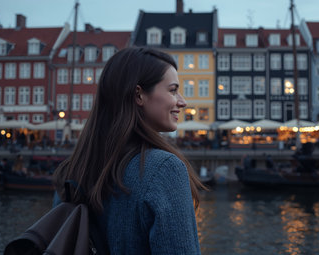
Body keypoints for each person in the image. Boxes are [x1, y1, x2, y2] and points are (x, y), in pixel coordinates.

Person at [52, 47, 205, 254]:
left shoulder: (72, 171)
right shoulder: (163, 169)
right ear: (139, 95)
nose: (182, 101)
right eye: (172, 90)